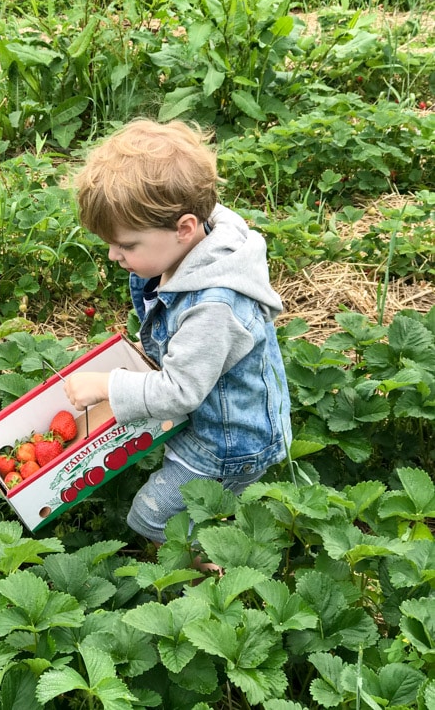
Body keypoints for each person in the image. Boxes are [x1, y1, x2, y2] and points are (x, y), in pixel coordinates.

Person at [64, 118, 291, 546]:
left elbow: (181, 392)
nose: (114, 256)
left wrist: (109, 386)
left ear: (184, 227)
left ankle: (212, 568)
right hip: (206, 423)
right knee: (186, 508)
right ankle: (212, 527)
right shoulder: (186, 244)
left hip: (227, 444)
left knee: (153, 520)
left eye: (127, 245)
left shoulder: (214, 306)